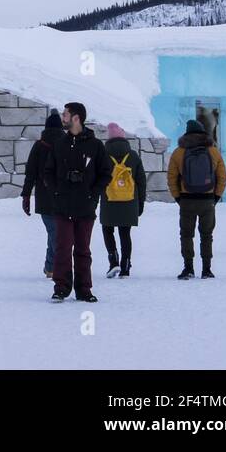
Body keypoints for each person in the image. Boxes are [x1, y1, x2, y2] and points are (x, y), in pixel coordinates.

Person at [41, 102, 112, 302]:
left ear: (76, 118)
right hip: (62, 207)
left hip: (85, 207)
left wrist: (93, 193)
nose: (63, 117)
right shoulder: (59, 144)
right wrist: (56, 191)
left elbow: (106, 173)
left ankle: (84, 289)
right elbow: (48, 172)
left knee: (83, 250)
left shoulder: (95, 145)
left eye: (65, 115)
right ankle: (61, 287)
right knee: (63, 248)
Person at [167, 118, 226, 279]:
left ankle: (188, 268)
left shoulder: (179, 152)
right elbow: (222, 176)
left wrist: (178, 197)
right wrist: (216, 196)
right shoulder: (213, 151)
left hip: (187, 200)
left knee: (186, 234)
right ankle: (207, 269)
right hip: (207, 199)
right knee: (207, 235)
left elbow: (171, 177)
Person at [99, 122, 146, 278]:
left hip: (109, 200)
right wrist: (140, 203)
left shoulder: (103, 155)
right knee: (125, 234)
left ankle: (113, 261)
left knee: (107, 230)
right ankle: (125, 266)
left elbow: (96, 178)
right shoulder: (133, 156)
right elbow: (141, 181)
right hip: (129, 201)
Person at [22, 111, 64, 278]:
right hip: (64, 197)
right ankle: (57, 268)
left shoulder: (39, 145)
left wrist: (26, 196)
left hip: (44, 198)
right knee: (56, 234)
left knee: (53, 232)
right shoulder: (68, 144)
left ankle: (51, 268)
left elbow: (30, 173)